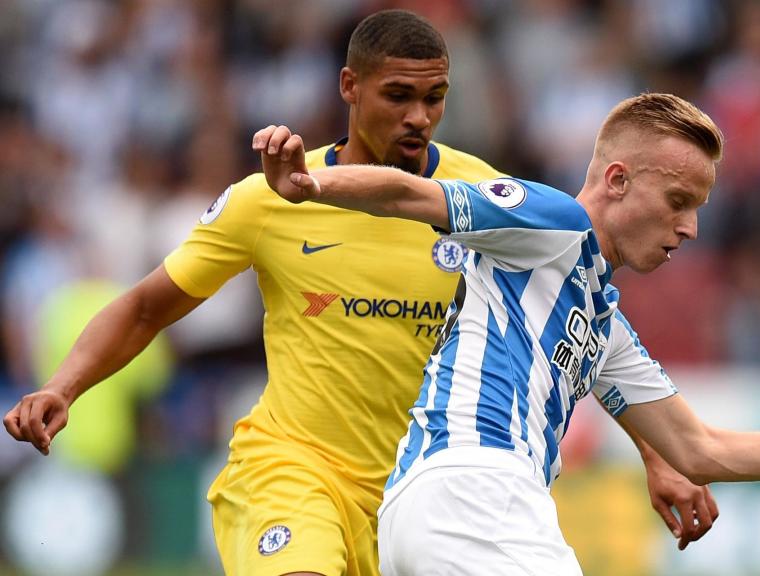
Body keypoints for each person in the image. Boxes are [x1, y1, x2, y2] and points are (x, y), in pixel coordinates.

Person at [3, 10, 713, 576]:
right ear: (348, 88)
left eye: (434, 98)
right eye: (397, 96)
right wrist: (63, 385)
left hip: (416, 496)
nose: (418, 117)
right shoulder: (271, 199)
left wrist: (657, 457)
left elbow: (569, 321)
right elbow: (146, 305)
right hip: (295, 466)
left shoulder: (474, 198)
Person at [258, 93, 760, 576]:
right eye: (678, 202)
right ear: (616, 180)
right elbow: (416, 195)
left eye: (699, 208)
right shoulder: (552, 221)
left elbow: (704, 449)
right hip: (476, 490)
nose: (690, 229)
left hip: (433, 510)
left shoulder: (600, 324)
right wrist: (308, 185)